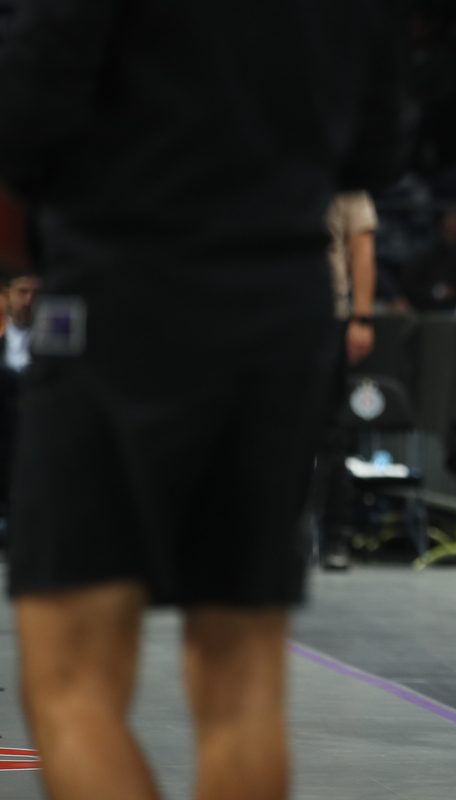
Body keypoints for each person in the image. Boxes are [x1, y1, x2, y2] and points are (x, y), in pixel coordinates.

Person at [0, 1, 403, 798]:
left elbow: (20, 118)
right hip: (279, 315)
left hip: (122, 296)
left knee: (71, 681)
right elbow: (377, 147)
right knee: (243, 684)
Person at [316, 191, 379, 570]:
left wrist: (362, 317)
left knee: (329, 434)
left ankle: (334, 537)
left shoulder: (346, 181)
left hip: (327, 315)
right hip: (265, 312)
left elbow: (361, 247)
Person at [1, 271, 36, 371]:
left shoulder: (54, 340)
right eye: (22, 291)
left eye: (36, 293)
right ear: (7, 294)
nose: (28, 300)